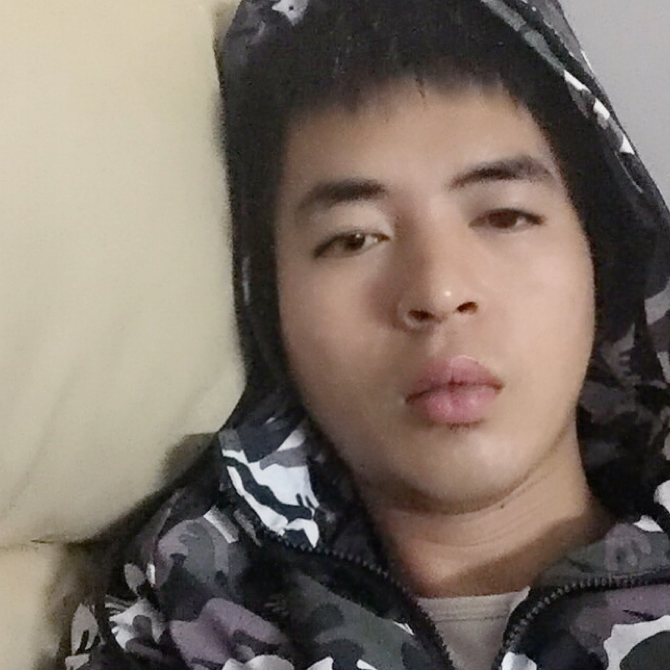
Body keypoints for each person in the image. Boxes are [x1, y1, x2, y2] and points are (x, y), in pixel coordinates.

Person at [67, 1, 670, 669]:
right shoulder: (180, 608)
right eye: (354, 238)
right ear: (267, 298)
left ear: (601, 256)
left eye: (504, 216)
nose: (438, 292)